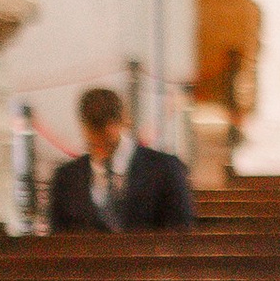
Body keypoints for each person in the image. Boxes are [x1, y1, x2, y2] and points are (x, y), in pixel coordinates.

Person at [47, 87, 194, 233]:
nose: (101, 143)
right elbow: (58, 240)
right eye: (95, 132)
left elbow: (179, 232)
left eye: (106, 131)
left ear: (122, 121)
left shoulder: (164, 169)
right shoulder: (66, 178)